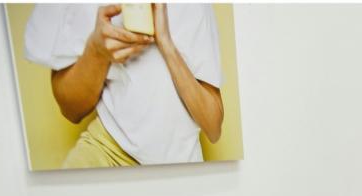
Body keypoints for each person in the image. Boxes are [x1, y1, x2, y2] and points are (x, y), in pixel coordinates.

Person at [24, 4, 224, 168]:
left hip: (179, 165)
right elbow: (70, 110)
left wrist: (165, 42)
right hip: (108, 149)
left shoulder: (196, 9)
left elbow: (213, 127)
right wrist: (96, 52)